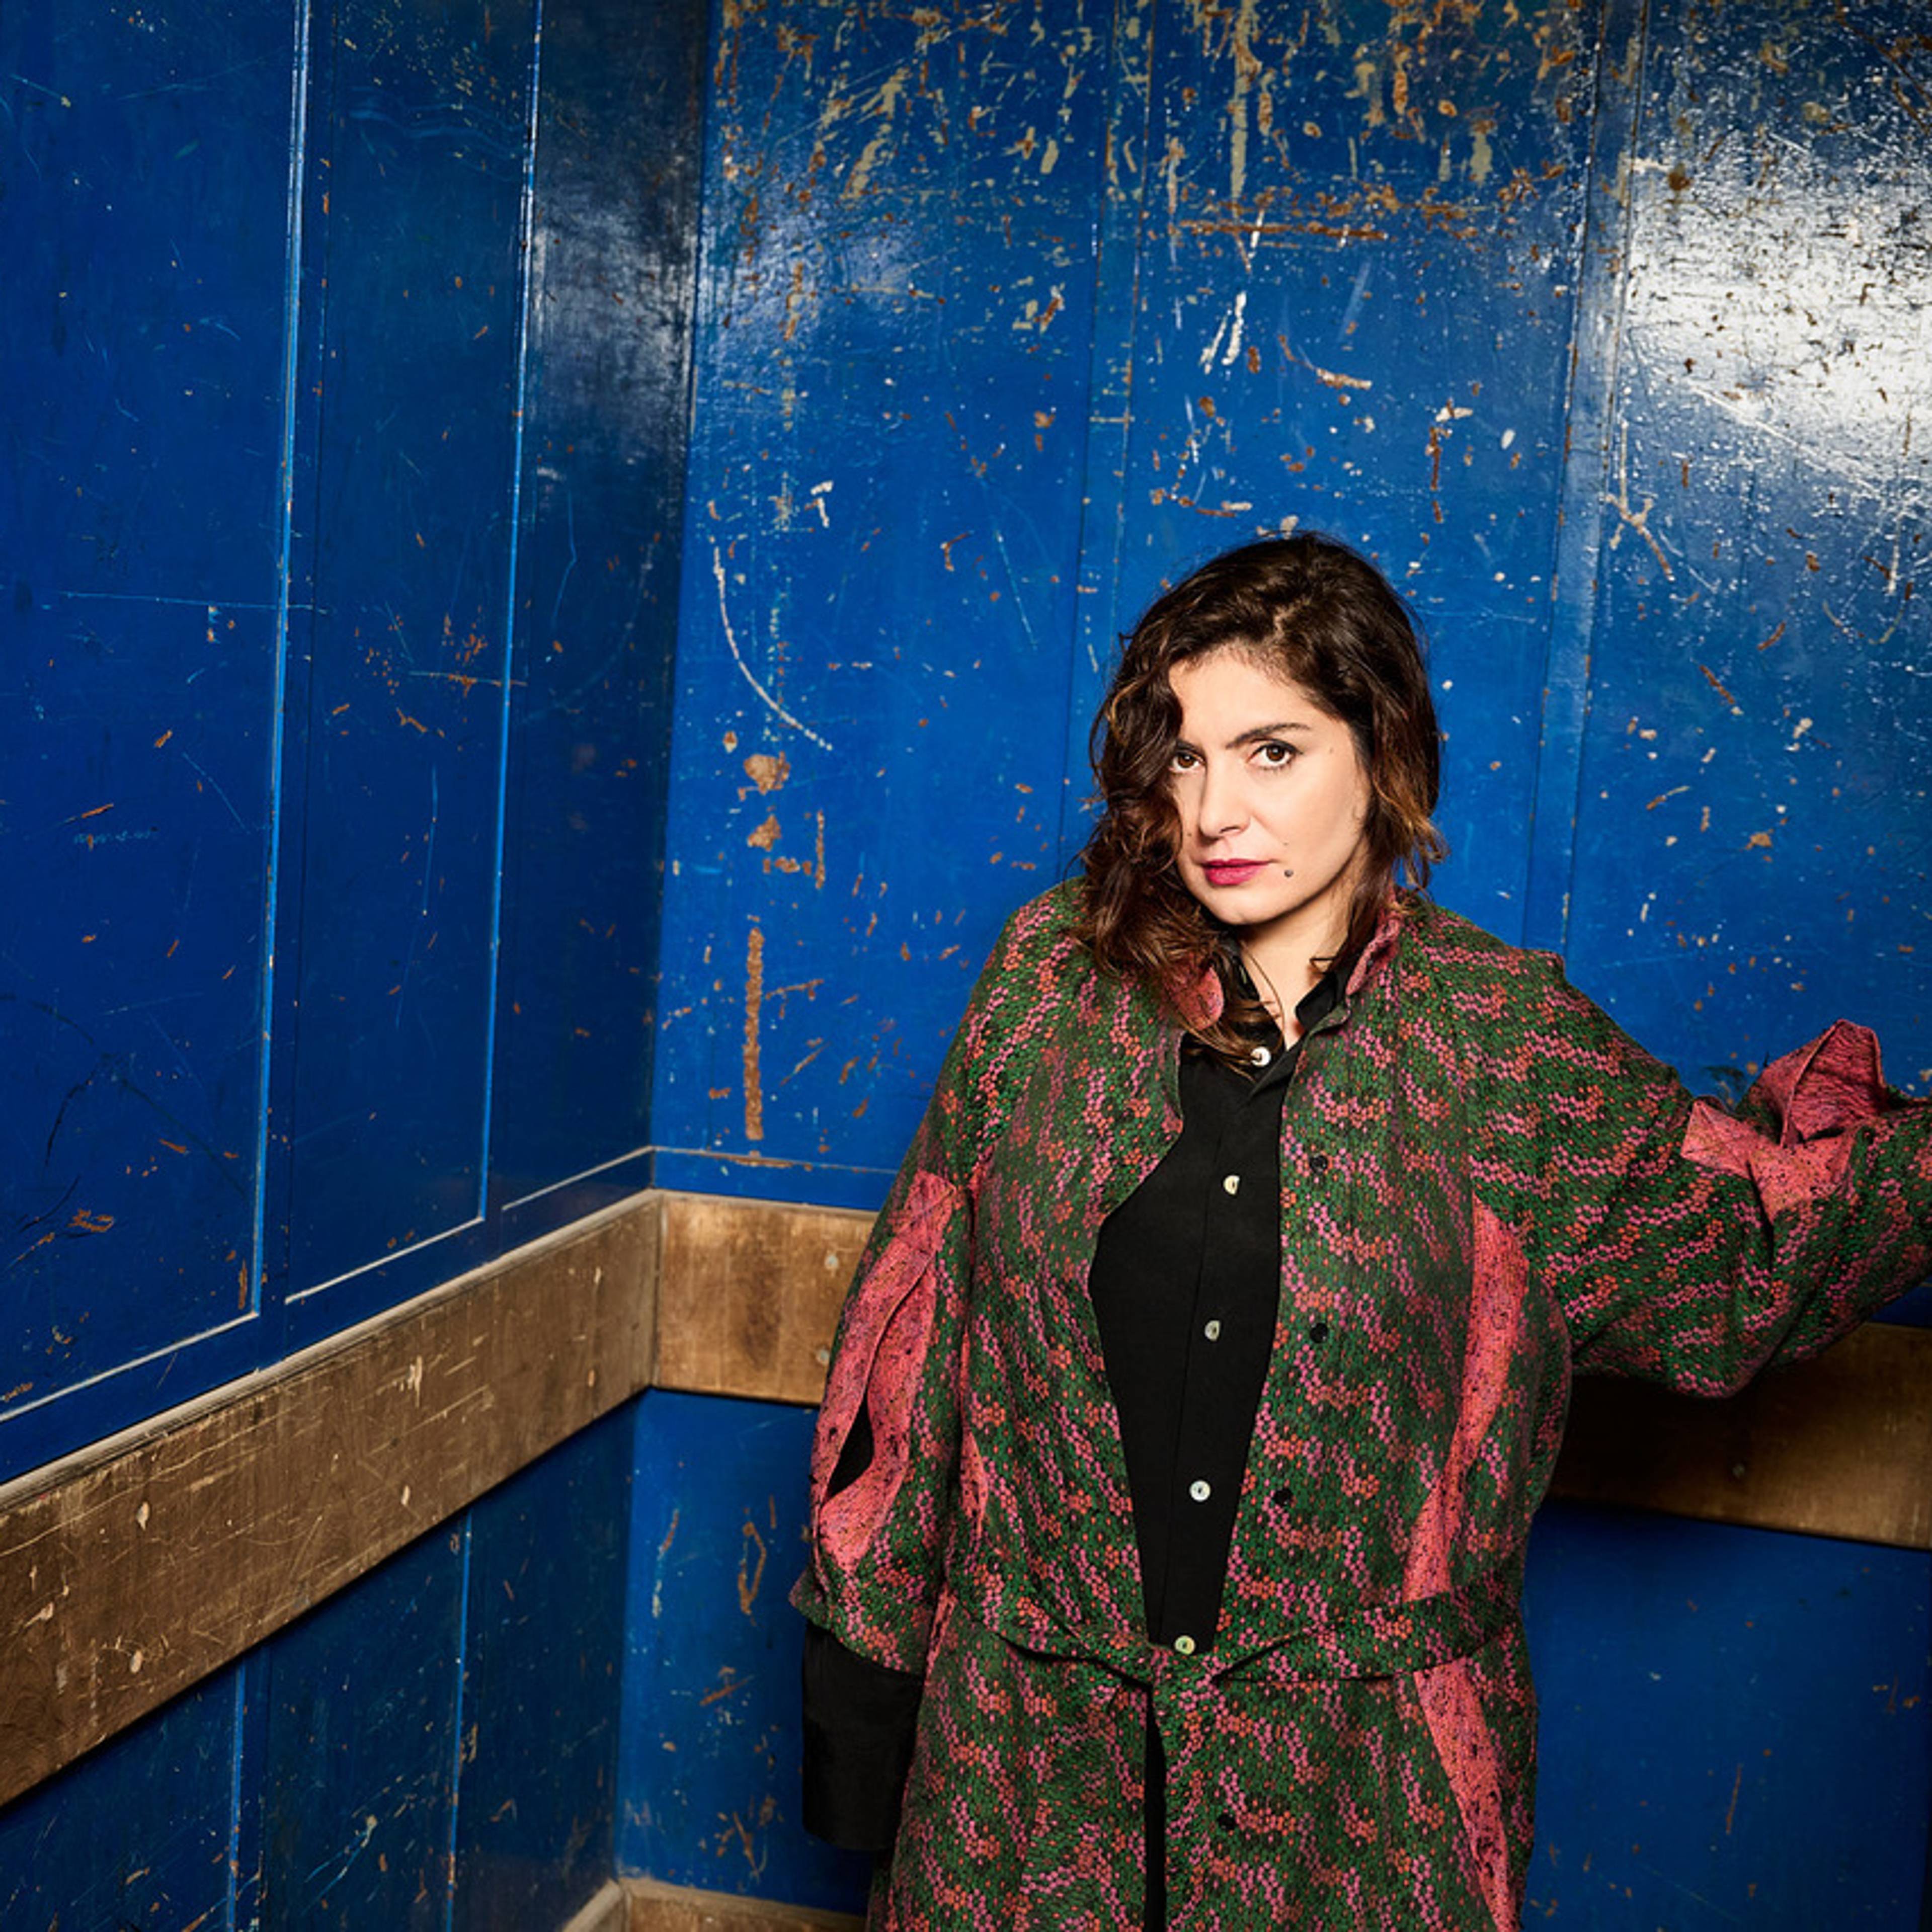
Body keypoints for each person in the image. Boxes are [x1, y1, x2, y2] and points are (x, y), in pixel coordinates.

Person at [791, 532, 1932, 1930]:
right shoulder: (1048, 979)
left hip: (1361, 1806)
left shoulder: (1496, 1041)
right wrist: (863, 1697)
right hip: (1026, 1780)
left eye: (1273, 751)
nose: (1215, 807)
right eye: (1184, 754)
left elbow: (1746, 1251)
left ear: (1379, 754)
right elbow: (914, 1335)